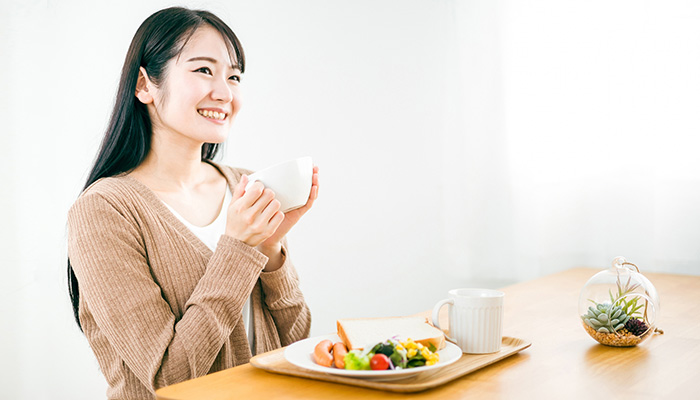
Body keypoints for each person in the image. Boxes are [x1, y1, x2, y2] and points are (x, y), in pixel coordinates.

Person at [66, 7, 319, 399]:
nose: (225, 92)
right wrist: (238, 249)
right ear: (144, 86)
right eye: (203, 70)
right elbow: (169, 379)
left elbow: (298, 342)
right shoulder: (103, 211)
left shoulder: (245, 185)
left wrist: (270, 253)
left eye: (233, 76)